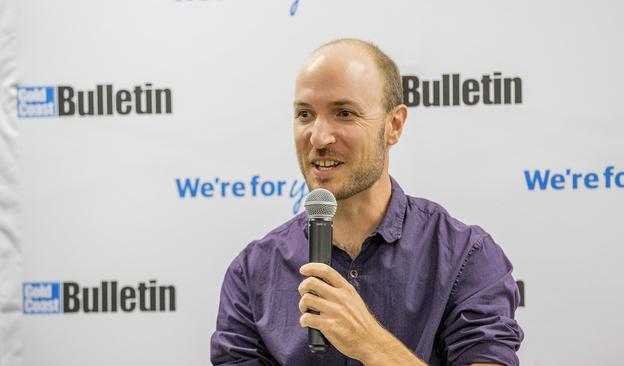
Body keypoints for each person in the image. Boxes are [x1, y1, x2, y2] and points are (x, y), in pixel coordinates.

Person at [210, 38, 524, 366]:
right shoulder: (252, 271)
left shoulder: (464, 255)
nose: (318, 137)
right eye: (305, 114)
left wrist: (370, 343)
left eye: (344, 113)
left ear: (394, 125)